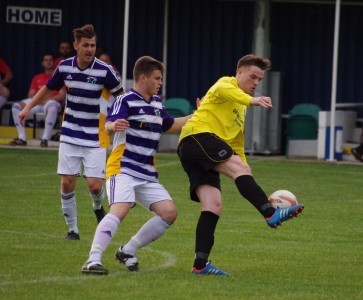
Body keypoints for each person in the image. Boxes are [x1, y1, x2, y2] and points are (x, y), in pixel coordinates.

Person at [177, 54, 304, 275]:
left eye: (259, 79)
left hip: (197, 149)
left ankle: (200, 265)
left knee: (213, 205)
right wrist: (252, 100)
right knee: (236, 175)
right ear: (239, 73)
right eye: (253, 77)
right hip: (198, 137)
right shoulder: (225, 83)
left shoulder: (241, 107)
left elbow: (236, 141)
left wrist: (245, 169)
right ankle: (270, 213)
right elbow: (231, 92)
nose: (255, 83)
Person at [81, 56, 193, 275]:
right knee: (120, 210)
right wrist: (114, 125)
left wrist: (200, 115)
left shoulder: (157, 103)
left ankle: (127, 250)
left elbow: (171, 125)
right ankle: (92, 260)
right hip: (122, 168)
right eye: (157, 78)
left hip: (146, 173)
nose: (160, 82)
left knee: (169, 212)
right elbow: (109, 125)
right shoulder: (126, 100)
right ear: (143, 77)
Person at [18, 24, 124, 240]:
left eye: (93, 45)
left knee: (94, 186)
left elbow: (121, 97)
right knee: (67, 182)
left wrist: (121, 117)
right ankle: (73, 230)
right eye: (85, 45)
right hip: (70, 133)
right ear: (76, 46)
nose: (90, 49)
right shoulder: (65, 67)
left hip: (94, 135)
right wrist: (28, 108)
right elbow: (48, 88)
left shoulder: (105, 70)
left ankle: (97, 206)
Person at [9, 53, 65, 147]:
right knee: (16, 106)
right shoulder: (37, 77)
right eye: (46, 60)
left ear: (54, 62)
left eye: (50, 60)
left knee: (52, 106)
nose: (48, 62)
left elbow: (61, 96)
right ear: (42, 63)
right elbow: (30, 95)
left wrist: (44, 99)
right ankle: (22, 138)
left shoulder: (59, 77)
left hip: (51, 103)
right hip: (38, 103)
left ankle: (45, 139)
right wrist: (40, 100)